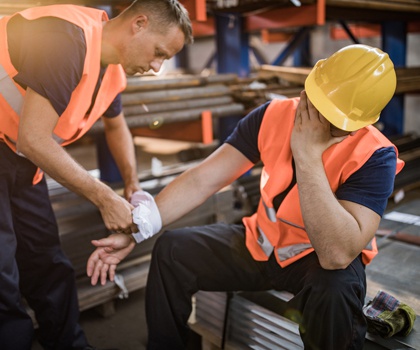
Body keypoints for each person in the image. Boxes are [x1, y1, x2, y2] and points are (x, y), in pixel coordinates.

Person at [87, 44, 404, 349]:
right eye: (319, 109)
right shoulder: (272, 116)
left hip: (315, 263)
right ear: (309, 91)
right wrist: (138, 227)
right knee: (171, 251)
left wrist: (307, 155)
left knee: (337, 290)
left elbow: (336, 254)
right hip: (261, 245)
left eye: (338, 124)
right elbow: (202, 180)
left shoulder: (374, 155)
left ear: (359, 124)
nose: (324, 124)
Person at [0, 0, 193, 349]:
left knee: (46, 260)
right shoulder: (66, 37)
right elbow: (34, 138)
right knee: (1, 274)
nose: (156, 67)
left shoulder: (111, 68)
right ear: (139, 23)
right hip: (16, 146)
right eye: (158, 53)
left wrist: (133, 187)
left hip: (20, 158)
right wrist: (105, 197)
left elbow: (117, 128)